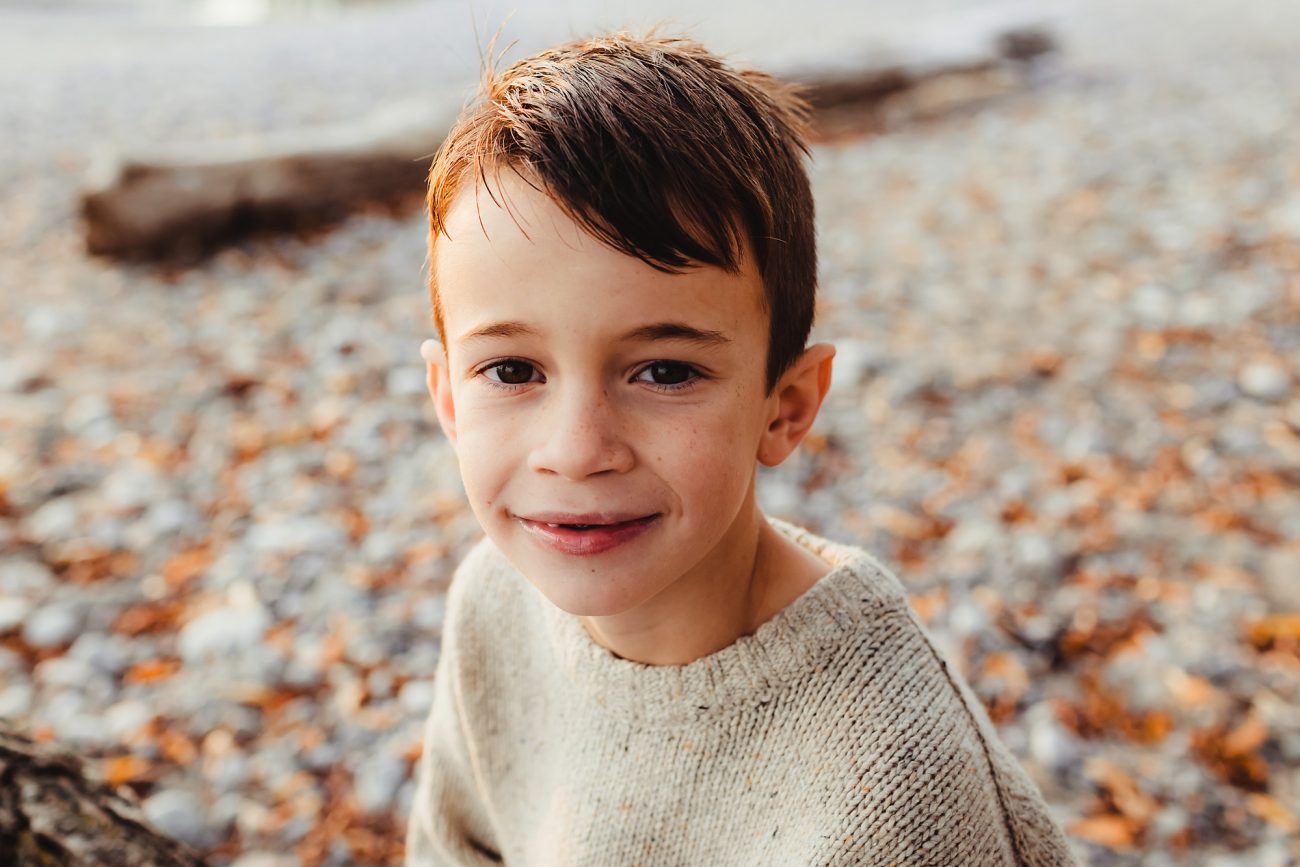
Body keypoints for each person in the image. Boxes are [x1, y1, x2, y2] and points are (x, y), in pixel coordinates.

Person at [405, 30, 1080, 866]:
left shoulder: (895, 786)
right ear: (447, 399)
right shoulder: (492, 602)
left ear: (785, 407)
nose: (577, 451)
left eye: (663, 370)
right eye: (512, 369)